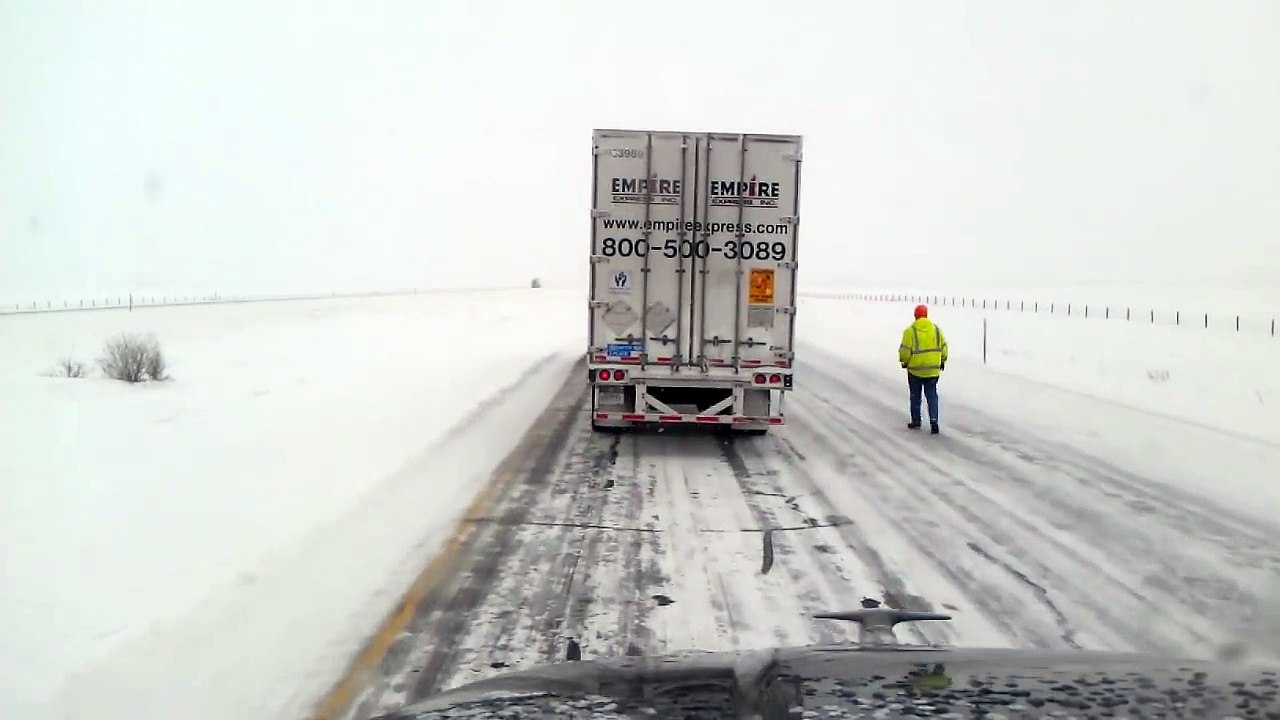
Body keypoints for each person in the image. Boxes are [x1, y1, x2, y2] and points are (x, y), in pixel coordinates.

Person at [898, 304, 948, 433]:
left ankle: (916, 421)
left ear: (915, 316)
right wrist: (942, 360)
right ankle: (934, 421)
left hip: (915, 370)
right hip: (933, 370)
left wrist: (904, 362)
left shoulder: (910, 331)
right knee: (932, 395)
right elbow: (944, 347)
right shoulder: (936, 330)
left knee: (915, 396)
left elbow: (905, 351)